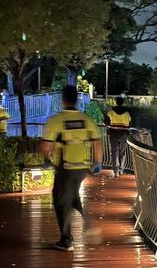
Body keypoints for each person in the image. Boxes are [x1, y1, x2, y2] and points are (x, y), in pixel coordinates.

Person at [41, 85, 103, 252]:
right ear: (76, 100)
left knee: (61, 200)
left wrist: (47, 159)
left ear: (62, 100)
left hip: (65, 167)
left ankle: (66, 240)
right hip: (83, 167)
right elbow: (97, 142)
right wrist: (98, 163)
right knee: (73, 194)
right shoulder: (86, 120)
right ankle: (88, 220)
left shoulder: (55, 121)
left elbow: (46, 146)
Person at [105, 96, 131, 177]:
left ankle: (116, 171)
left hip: (113, 135)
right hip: (123, 135)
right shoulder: (127, 114)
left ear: (116, 102)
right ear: (122, 103)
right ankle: (121, 170)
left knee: (114, 153)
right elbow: (130, 123)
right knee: (122, 153)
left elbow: (105, 121)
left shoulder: (111, 113)